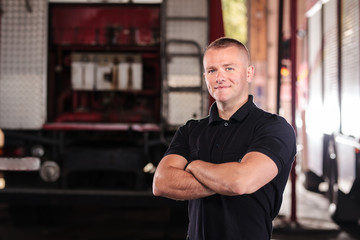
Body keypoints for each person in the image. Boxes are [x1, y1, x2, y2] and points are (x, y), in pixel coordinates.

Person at [152, 37, 296, 240]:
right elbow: (161, 183)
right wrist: (224, 180)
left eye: (229, 68)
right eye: (212, 70)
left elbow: (240, 182)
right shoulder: (191, 130)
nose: (220, 77)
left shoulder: (274, 128)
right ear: (205, 76)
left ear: (249, 73)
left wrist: (194, 166)